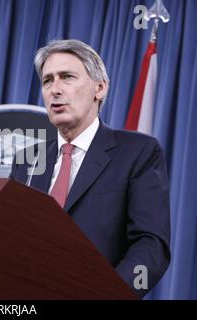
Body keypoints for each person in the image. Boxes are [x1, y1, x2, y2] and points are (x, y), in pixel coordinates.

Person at [10, 39, 170, 298]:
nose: (55, 89)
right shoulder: (27, 160)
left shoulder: (138, 152)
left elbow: (151, 247)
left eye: (67, 77)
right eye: (47, 80)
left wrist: (109, 293)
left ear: (99, 88)